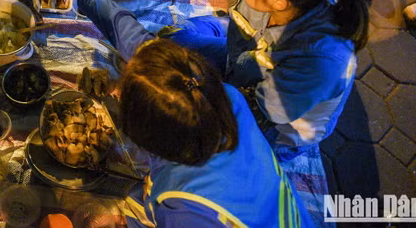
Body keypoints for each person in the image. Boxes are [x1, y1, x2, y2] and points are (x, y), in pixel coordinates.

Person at [43, 0, 369, 157]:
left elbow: (239, 114)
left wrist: (139, 87)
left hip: (271, 125)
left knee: (174, 135)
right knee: (165, 44)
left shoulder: (320, 62)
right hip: (240, 63)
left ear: (278, 2)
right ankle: (198, 37)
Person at [118, 39, 312, 227]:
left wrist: (155, 200)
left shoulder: (184, 210)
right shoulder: (228, 97)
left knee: (132, 207)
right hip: (284, 214)